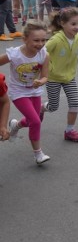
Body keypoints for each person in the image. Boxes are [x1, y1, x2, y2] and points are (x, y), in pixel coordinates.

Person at [41, 8, 78, 142]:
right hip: (53, 78)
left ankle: (69, 130)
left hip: (69, 78)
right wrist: (41, 70)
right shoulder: (56, 39)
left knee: (74, 103)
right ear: (62, 23)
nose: (77, 27)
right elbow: (41, 54)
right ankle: (41, 109)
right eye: (73, 24)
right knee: (53, 106)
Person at [2, 22, 49, 163]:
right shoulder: (14, 54)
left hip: (34, 91)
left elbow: (45, 76)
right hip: (18, 92)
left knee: (35, 120)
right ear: (25, 39)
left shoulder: (44, 54)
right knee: (35, 121)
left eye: (43, 40)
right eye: (36, 40)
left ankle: (15, 125)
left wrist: (41, 81)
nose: (40, 43)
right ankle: (38, 154)